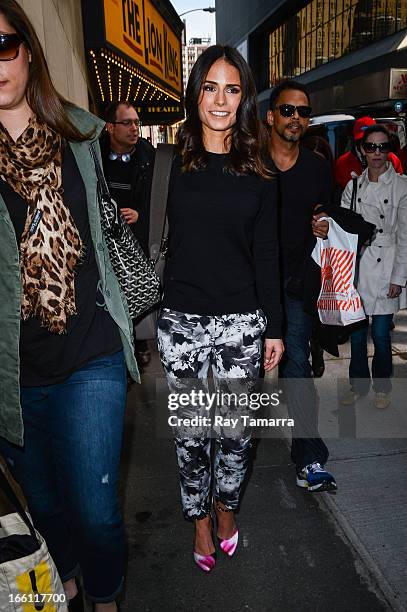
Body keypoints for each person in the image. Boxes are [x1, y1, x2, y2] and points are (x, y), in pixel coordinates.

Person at [0, 2, 139, 610]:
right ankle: (69, 580)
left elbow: (104, 236)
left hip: (92, 351)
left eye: (2, 46)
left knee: (95, 507)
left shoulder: (80, 131)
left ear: (27, 50)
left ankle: (105, 595)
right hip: (16, 370)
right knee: (46, 508)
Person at [156, 44, 283, 572]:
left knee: (234, 434)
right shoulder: (167, 163)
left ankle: (226, 507)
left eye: (232, 89)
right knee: (191, 436)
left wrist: (273, 328)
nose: (220, 99)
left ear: (244, 99)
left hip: (240, 325)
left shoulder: (259, 169)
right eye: (211, 86)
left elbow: (268, 251)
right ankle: (200, 522)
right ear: (196, 92)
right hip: (181, 322)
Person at [266, 79, 337, 492]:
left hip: (294, 284)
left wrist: (324, 224)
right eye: (288, 110)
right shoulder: (250, 162)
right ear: (271, 115)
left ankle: (309, 457)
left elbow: (324, 213)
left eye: (303, 112)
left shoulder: (316, 168)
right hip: (248, 286)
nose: (296, 118)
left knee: (297, 369)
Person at [340, 125, 407, 409]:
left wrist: (399, 277)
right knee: (356, 334)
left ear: (389, 150)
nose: (377, 153)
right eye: (371, 147)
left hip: (387, 265)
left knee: (380, 333)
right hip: (358, 267)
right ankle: (358, 385)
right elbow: (342, 231)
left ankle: (382, 386)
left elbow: (405, 236)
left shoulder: (402, 185)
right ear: (361, 151)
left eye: (382, 147)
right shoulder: (353, 186)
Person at [100, 101, 155, 370]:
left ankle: (137, 342)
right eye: (127, 122)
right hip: (105, 241)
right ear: (110, 127)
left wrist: (140, 214)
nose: (134, 128)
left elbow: (159, 199)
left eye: (137, 122)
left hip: (136, 242)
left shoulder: (149, 157)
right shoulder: (95, 156)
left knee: (136, 291)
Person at [335, 116, 403, 190]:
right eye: (362, 140)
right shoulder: (342, 162)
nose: (367, 143)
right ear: (356, 143)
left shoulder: (392, 159)